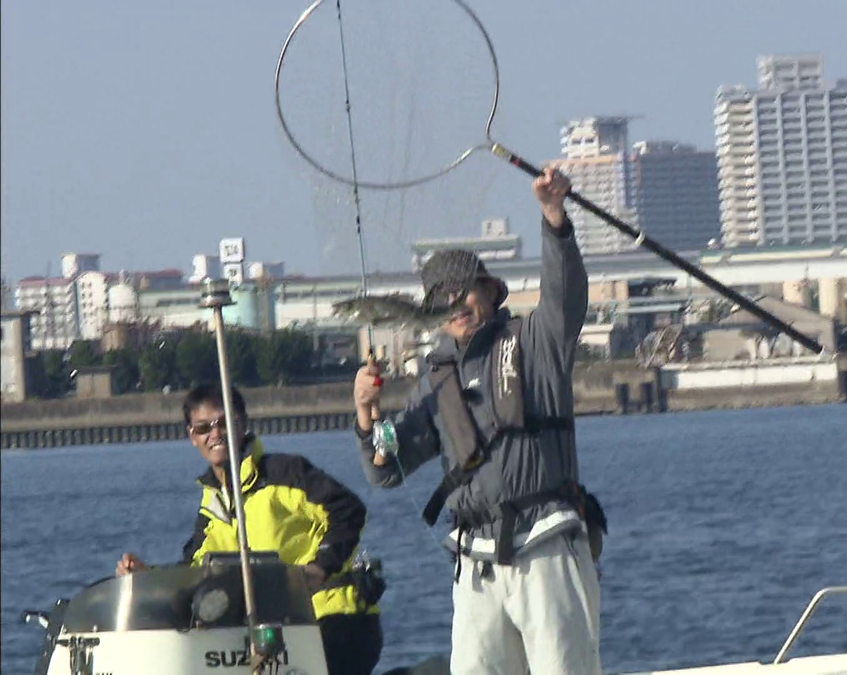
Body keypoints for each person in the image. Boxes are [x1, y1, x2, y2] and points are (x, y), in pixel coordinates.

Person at [352, 166, 603, 675]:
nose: (456, 303)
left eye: (465, 290)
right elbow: (385, 468)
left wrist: (554, 218)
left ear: (490, 294)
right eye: (441, 297)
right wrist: (365, 413)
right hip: (475, 563)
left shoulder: (534, 343)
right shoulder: (435, 380)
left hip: (547, 544)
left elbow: (566, 299)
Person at [116, 383, 383, 675]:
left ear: (242, 424)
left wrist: (319, 567)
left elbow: (348, 510)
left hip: (335, 620)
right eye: (204, 428)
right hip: (277, 635)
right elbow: (192, 575)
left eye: (224, 424)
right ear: (192, 436)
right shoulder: (213, 508)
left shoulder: (284, 473)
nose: (215, 434)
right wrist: (146, 578)